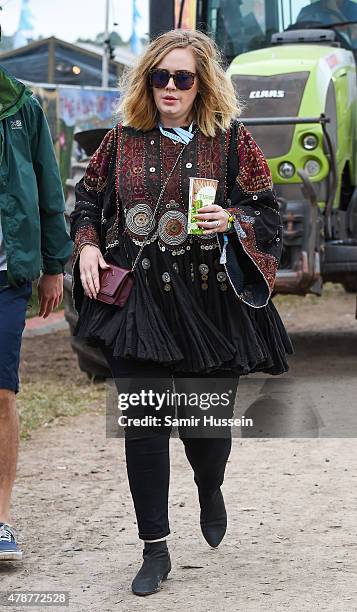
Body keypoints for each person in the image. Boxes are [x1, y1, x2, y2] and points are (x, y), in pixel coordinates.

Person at [70, 29, 293, 597]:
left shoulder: (231, 140)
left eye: (183, 77)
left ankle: (210, 483)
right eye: (160, 77)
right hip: (140, 305)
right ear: (148, 82)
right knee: (144, 427)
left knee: (206, 431)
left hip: (210, 303)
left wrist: (233, 222)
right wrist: (89, 244)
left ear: (202, 85)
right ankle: (154, 548)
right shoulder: (121, 140)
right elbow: (89, 199)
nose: (170, 87)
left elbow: (269, 209)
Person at [0, 63, 72, 561]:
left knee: (1, 395)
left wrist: (54, 264)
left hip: (6, 277)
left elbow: (49, 185)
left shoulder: (21, 105)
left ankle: (0, 520)